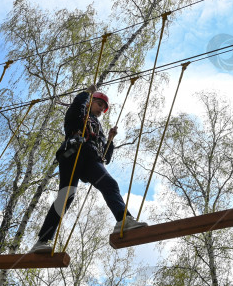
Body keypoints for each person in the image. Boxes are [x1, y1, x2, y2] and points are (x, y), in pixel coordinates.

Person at [30, 84, 147, 253]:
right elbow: (77, 106)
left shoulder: (97, 127)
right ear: (91, 102)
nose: (101, 109)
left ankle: (124, 220)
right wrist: (86, 93)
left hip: (90, 160)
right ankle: (42, 241)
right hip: (73, 153)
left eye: (104, 108)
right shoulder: (80, 114)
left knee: (109, 184)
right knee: (66, 196)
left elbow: (106, 157)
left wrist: (110, 140)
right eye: (99, 104)